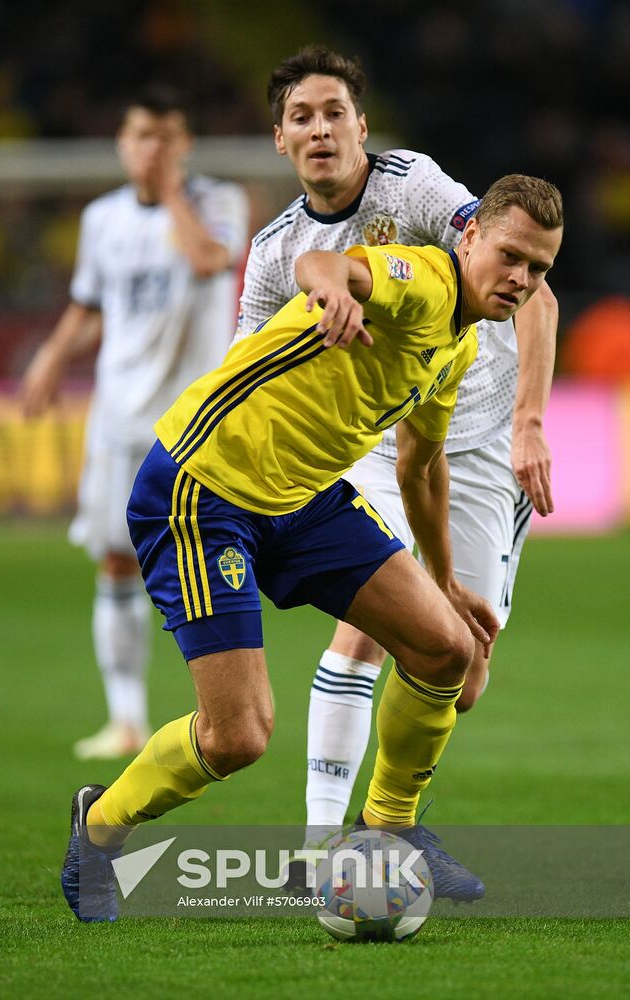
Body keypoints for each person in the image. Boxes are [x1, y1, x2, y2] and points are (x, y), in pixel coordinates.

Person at [60, 173, 563, 922]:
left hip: (301, 497)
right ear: (468, 238)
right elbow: (329, 265)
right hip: (204, 489)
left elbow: (418, 465)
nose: (520, 279)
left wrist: (448, 582)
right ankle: (100, 827)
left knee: (444, 649)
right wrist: (332, 291)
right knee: (238, 736)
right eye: (510, 256)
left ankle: (388, 829)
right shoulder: (421, 279)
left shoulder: (458, 345)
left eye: (539, 269)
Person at [233, 47, 559, 851]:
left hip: (478, 436)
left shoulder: (411, 183)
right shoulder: (274, 254)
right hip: (378, 445)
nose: (319, 129)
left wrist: (527, 422)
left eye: (333, 112)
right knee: (365, 626)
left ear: (361, 125)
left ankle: (389, 822)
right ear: (279, 139)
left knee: (459, 666)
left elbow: (530, 280)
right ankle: (325, 852)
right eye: (301, 117)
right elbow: (243, 377)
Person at [20, 86, 249, 760]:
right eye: (142, 136)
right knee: (116, 562)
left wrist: (171, 193)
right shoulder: (101, 220)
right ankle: (124, 719)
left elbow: (210, 262)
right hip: (119, 416)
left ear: (185, 145)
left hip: (197, 420)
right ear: (122, 144)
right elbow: (90, 303)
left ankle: (222, 711)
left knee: (211, 563)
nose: (153, 149)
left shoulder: (219, 202)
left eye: (167, 137)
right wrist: (50, 360)